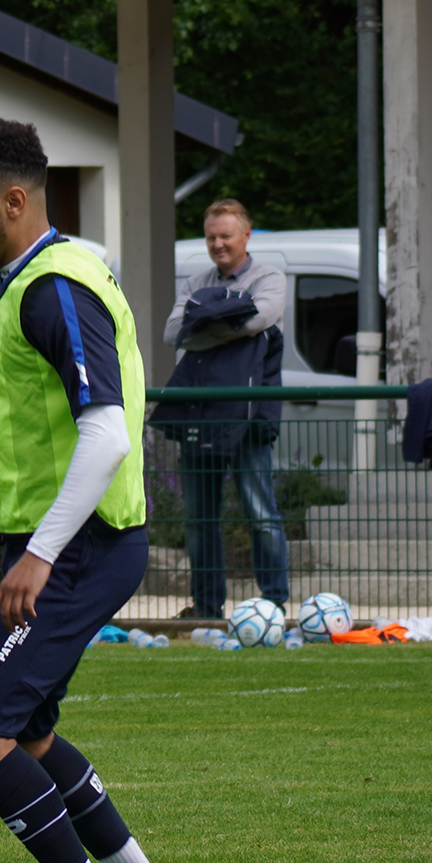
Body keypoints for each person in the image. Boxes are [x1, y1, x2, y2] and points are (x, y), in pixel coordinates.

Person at [0, 119, 194, 863]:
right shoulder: (32, 278)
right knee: (31, 733)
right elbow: (55, 422)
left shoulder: (52, 289)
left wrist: (38, 556)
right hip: (71, 541)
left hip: (78, 551)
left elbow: (108, 433)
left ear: (13, 201)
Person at [161, 199, 289, 620]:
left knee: (260, 512)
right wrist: (230, 323)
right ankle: (206, 607)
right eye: (211, 237)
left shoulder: (269, 278)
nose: (218, 244)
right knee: (199, 517)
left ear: (246, 235)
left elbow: (261, 319)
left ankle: (273, 605)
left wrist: (205, 320)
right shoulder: (194, 281)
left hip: (250, 415)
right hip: (201, 411)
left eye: (226, 236)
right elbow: (173, 333)